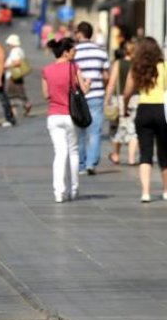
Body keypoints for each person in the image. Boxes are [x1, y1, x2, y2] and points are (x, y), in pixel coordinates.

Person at [42, 38, 89, 203]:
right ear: (65, 52)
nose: (74, 54)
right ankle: (74, 189)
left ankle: (59, 192)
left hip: (53, 116)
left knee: (59, 153)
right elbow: (83, 89)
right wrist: (88, 83)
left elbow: (46, 95)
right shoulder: (73, 68)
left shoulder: (46, 70)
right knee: (73, 152)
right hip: (71, 116)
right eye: (73, 51)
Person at [122, 37, 167, 202]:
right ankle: (165, 190)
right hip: (162, 110)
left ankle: (146, 193)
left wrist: (125, 107)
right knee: (164, 153)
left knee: (145, 153)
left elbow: (127, 92)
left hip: (144, 110)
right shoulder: (163, 66)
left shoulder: (137, 68)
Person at [73, 21, 110, 175]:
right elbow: (107, 75)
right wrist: (104, 86)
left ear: (79, 34)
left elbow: (72, 74)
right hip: (97, 95)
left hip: (79, 97)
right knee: (95, 131)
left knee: (80, 132)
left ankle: (81, 165)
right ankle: (91, 163)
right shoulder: (101, 51)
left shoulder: (73, 52)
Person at [105, 40, 138, 166]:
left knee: (116, 127)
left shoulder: (118, 63)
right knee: (133, 129)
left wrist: (107, 99)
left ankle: (116, 155)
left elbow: (112, 83)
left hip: (118, 99)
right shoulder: (137, 64)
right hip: (136, 98)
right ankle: (131, 158)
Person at [4, 34, 32, 118]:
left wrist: (6, 66)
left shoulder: (14, 51)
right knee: (20, 92)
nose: (8, 46)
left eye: (9, 44)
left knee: (11, 95)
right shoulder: (20, 50)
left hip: (13, 76)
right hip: (18, 75)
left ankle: (19, 110)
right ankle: (25, 106)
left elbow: (17, 62)